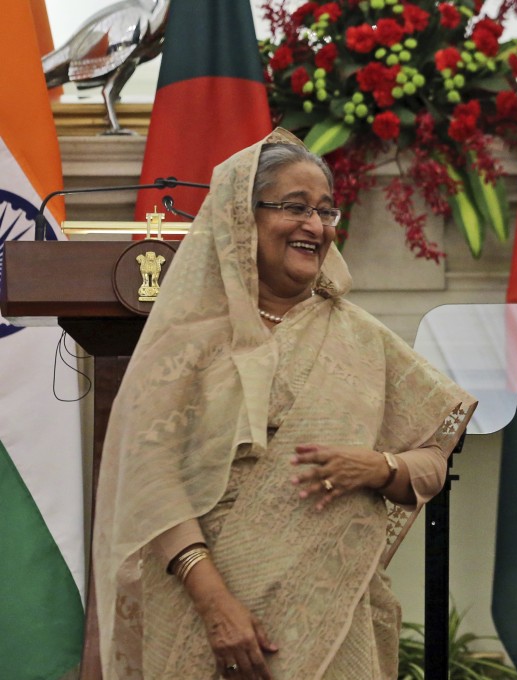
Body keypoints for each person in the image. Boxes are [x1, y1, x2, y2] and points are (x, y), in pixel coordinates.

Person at [93, 129, 475, 680]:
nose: (315, 227)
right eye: (294, 208)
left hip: (336, 625)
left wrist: (380, 466)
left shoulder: (363, 338)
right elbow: (149, 478)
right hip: (204, 622)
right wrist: (215, 603)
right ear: (242, 218)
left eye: (325, 212)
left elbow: (433, 457)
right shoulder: (190, 339)